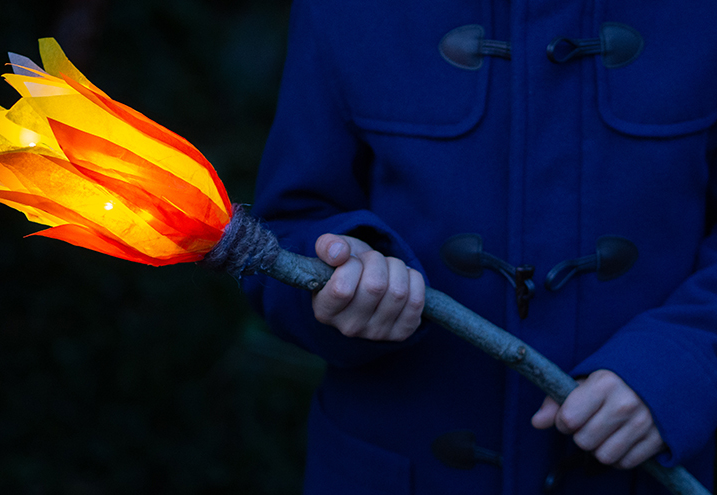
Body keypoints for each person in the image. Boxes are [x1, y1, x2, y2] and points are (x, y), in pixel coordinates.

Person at [242, 1, 717, 494]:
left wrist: (681, 365)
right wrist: (342, 277)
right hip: (392, 470)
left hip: (641, 475)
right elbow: (288, 227)